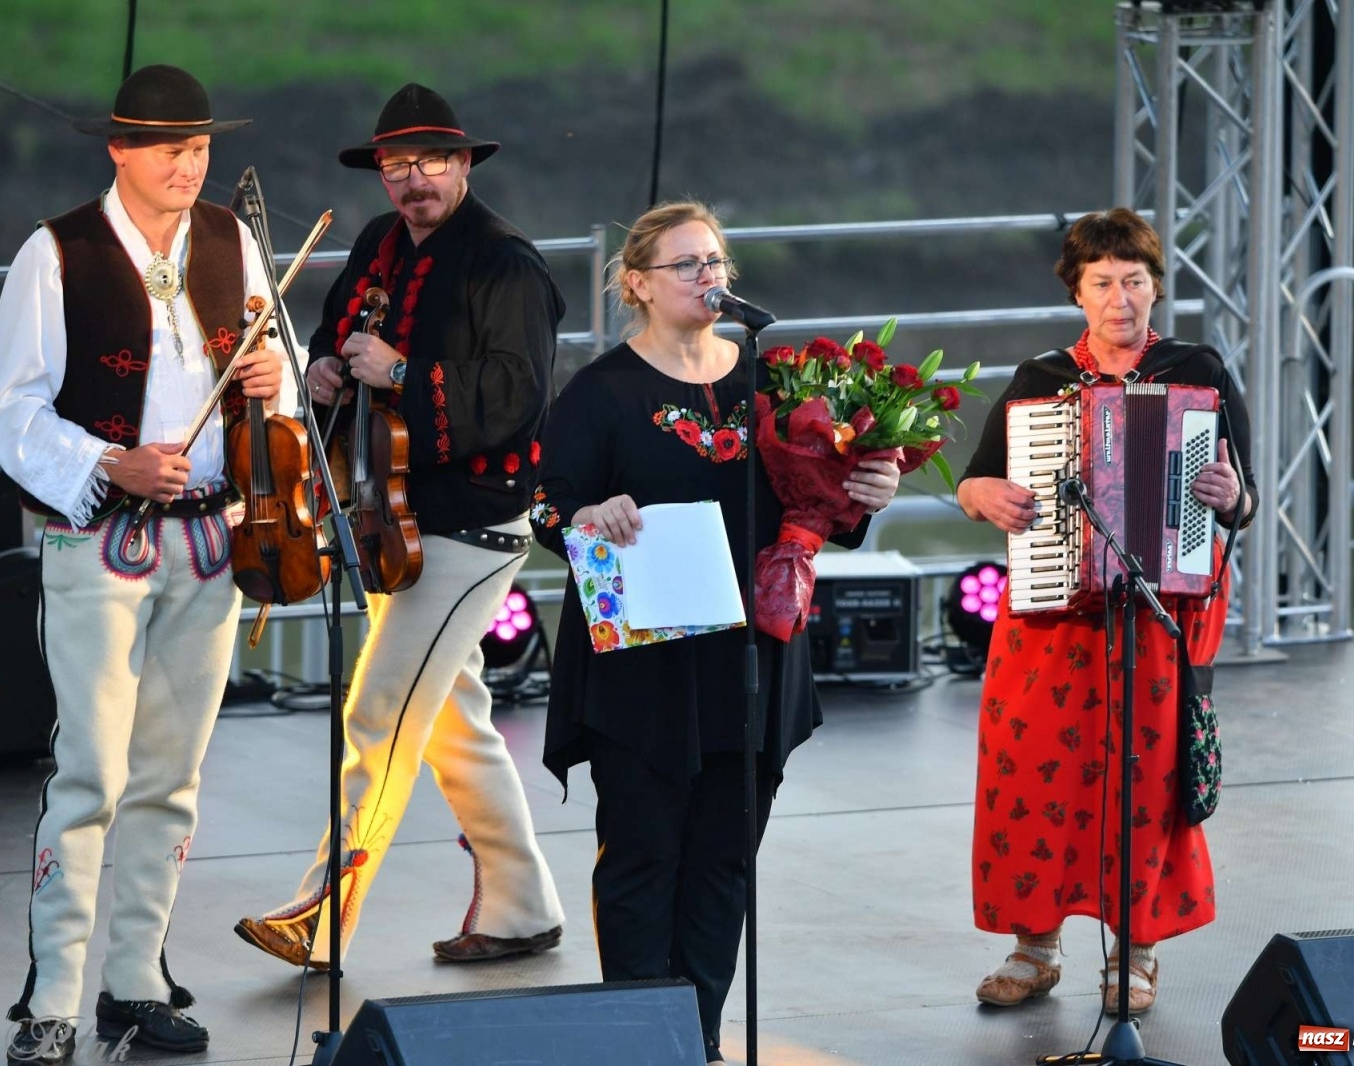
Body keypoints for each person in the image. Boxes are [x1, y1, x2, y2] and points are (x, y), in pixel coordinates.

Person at [531, 200, 902, 1064]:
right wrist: (590, 511)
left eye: (717, 262)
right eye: (687, 265)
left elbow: (820, 504)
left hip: (752, 658)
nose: (710, 278)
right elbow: (549, 503)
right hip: (646, 673)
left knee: (725, 864)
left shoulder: (770, 382)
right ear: (637, 284)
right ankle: (638, 1039)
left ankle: (695, 1036)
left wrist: (865, 497)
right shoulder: (601, 391)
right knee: (642, 858)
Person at [0, 65, 286, 1064]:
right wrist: (110, 460)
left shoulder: (233, 242)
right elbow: (10, 406)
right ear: (119, 149)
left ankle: (135, 980)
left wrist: (273, 378)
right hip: (98, 540)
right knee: (91, 772)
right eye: (168, 149)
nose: (188, 165)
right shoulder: (55, 252)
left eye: (198, 148)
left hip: (210, 534)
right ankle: (52, 997)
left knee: (171, 775)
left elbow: (274, 387)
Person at [234, 83, 565, 970]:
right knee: (454, 723)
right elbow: (341, 335)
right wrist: (328, 372)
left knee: (377, 714)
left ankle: (320, 914)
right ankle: (522, 904)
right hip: (394, 519)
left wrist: (406, 371)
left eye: (429, 163)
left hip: (469, 531)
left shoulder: (509, 265)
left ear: (462, 166)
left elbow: (517, 397)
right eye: (395, 166)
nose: (412, 181)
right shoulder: (381, 243)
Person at [955, 208, 1255, 1014]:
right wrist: (985, 494)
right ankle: (1034, 947)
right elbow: (974, 483)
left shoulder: (1200, 371)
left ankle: (1137, 951)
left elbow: (1245, 496)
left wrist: (1233, 497)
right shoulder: (1043, 378)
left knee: (1146, 781)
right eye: (1102, 283)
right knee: (1029, 770)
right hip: (1054, 615)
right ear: (1077, 293)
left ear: (1155, 285)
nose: (1120, 298)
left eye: (1133, 280)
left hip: (1156, 615)